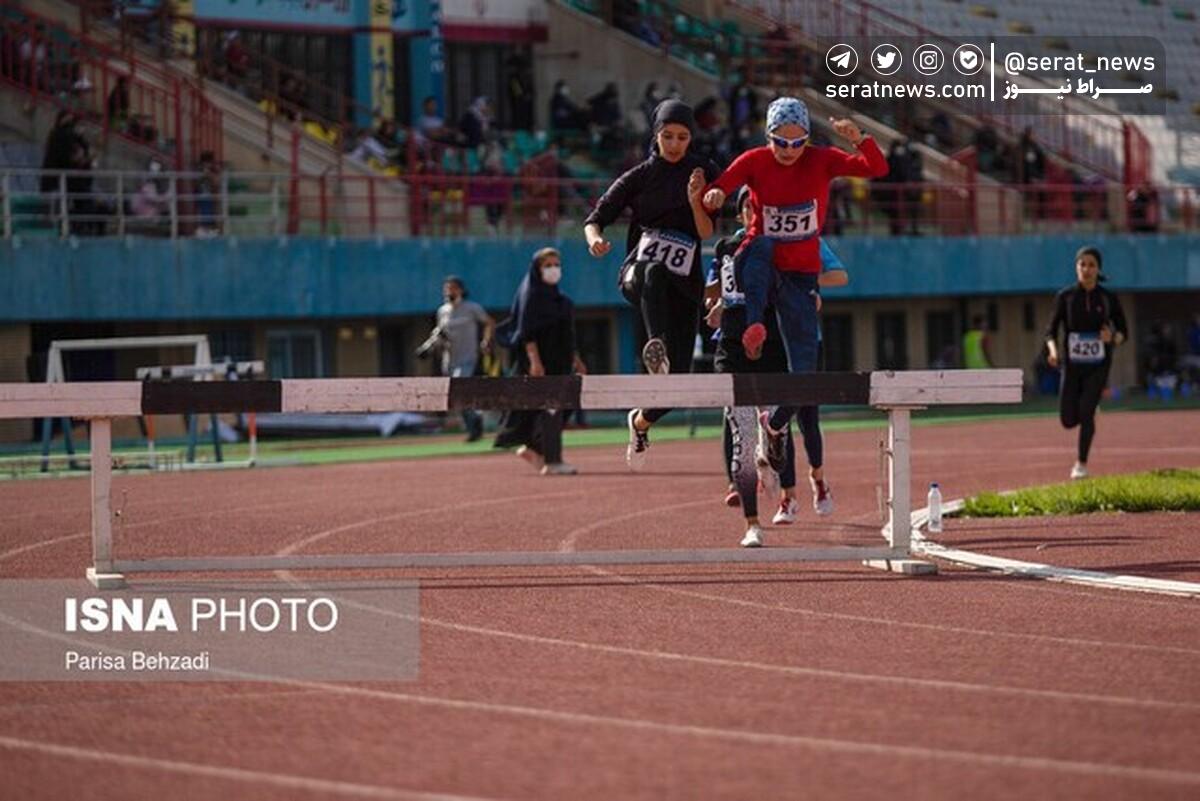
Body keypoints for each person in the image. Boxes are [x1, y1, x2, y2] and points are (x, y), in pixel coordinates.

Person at [702, 97, 887, 474]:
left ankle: (775, 422)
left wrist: (859, 138)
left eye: (796, 142)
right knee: (760, 245)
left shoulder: (822, 159)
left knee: (804, 374)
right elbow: (723, 184)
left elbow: (876, 168)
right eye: (779, 142)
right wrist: (716, 193)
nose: (788, 151)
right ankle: (755, 321)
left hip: (800, 275)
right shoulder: (755, 160)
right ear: (767, 136)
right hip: (760, 261)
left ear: (807, 138)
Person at [583, 99, 720, 470]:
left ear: (691, 138)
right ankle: (654, 345)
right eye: (667, 136)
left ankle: (640, 421)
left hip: (684, 288)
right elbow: (595, 218)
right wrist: (594, 239)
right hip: (637, 276)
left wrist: (705, 199)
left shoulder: (703, 171)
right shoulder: (639, 176)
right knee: (655, 270)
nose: (674, 144)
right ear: (655, 135)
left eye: (682, 137)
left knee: (676, 388)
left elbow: (710, 228)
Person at [705, 188, 846, 547]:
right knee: (742, 426)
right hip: (731, 346)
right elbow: (714, 289)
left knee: (782, 422)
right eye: (747, 208)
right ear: (739, 215)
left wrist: (808, 295)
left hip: (772, 344)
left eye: (759, 208)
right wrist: (719, 303)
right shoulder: (724, 247)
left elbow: (805, 283)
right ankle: (752, 522)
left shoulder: (781, 250)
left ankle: (789, 485)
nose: (754, 213)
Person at [493, 248, 586, 475]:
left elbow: (567, 335)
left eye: (556, 264)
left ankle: (536, 451)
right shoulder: (531, 295)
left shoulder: (560, 301)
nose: (553, 269)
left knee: (564, 405)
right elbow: (527, 332)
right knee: (540, 407)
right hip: (539, 362)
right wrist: (535, 361)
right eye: (547, 265)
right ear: (537, 269)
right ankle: (550, 458)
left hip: (560, 361)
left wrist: (576, 359)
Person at [1044, 246, 1128, 480]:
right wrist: (1053, 352)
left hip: (1098, 365)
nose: (1087, 269)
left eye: (1091, 265)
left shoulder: (1108, 298)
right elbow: (1050, 331)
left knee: (1086, 411)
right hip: (1072, 365)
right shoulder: (1065, 297)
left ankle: (1080, 464)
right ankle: (1087, 410)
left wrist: (1112, 337)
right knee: (1068, 420)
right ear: (1076, 268)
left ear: (1098, 269)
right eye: (1082, 264)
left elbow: (1123, 332)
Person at [426, 276, 495, 441]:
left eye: (453, 288)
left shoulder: (472, 308)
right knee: (455, 396)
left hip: (468, 357)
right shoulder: (442, 311)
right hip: (449, 359)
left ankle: (474, 424)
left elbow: (489, 322)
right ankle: (474, 423)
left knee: (459, 388)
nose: (450, 291)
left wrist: (485, 341)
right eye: (447, 288)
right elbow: (440, 334)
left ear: (461, 290)